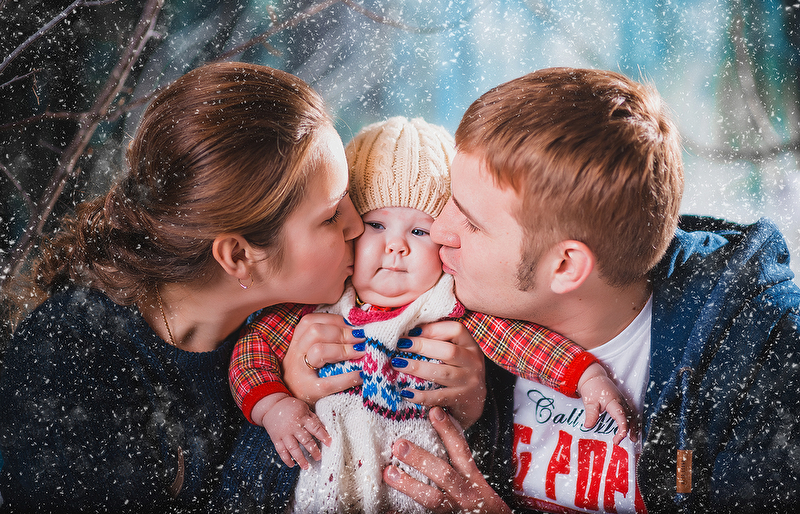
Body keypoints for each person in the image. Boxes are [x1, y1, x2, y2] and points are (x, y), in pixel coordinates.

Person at [0, 62, 479, 513]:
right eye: (332, 215)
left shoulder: (316, 314)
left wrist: (470, 404)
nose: (358, 226)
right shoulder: (67, 360)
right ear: (238, 256)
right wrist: (285, 404)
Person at [379, 68, 800, 513]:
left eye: (471, 222)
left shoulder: (763, 356)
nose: (438, 230)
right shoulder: (446, 299)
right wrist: (471, 415)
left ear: (566, 266)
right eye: (450, 197)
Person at [228, 117, 633, 514]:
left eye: (419, 231)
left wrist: (586, 375)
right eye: (376, 225)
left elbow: (519, 342)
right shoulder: (323, 301)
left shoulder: (447, 305)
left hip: (415, 490)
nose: (396, 246)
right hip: (325, 483)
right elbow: (252, 348)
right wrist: (274, 406)